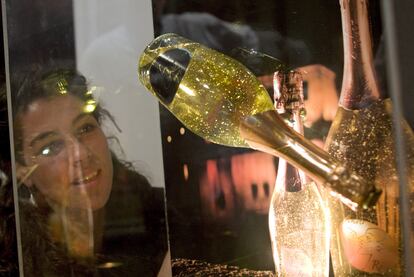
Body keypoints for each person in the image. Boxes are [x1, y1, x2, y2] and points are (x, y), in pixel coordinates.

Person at [11, 66, 169, 276]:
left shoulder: (169, 219)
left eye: (85, 129)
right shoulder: (17, 258)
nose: (81, 154)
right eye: (51, 147)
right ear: (22, 171)